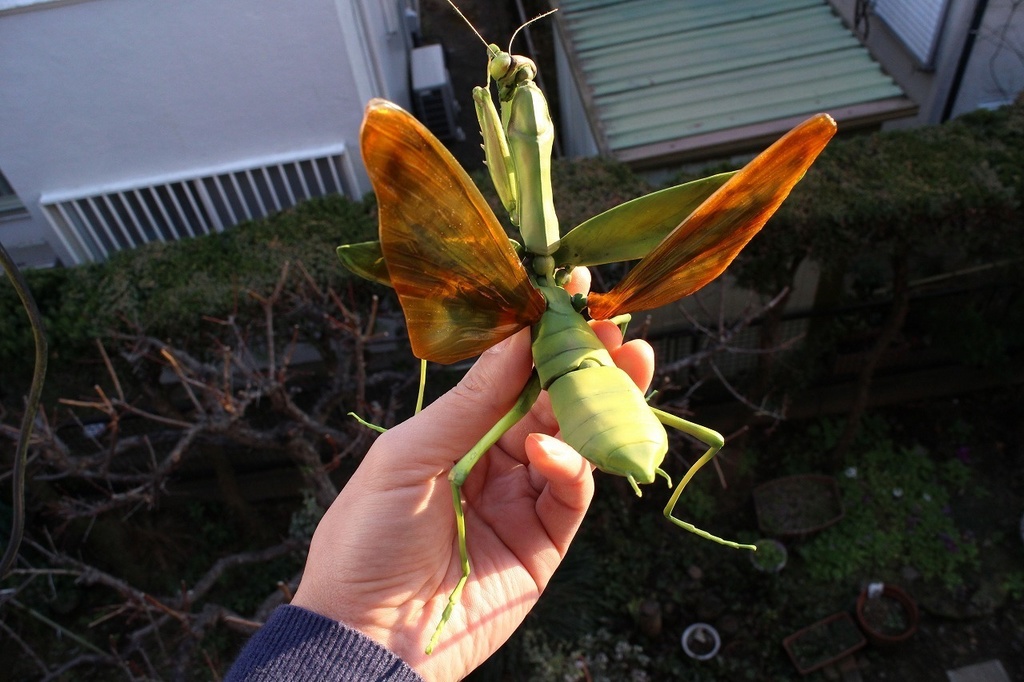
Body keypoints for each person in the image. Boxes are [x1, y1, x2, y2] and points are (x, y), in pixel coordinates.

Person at [225, 269, 655, 681]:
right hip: (591, 386)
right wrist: (369, 627)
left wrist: (357, 626)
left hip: (587, 390)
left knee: (460, 469)